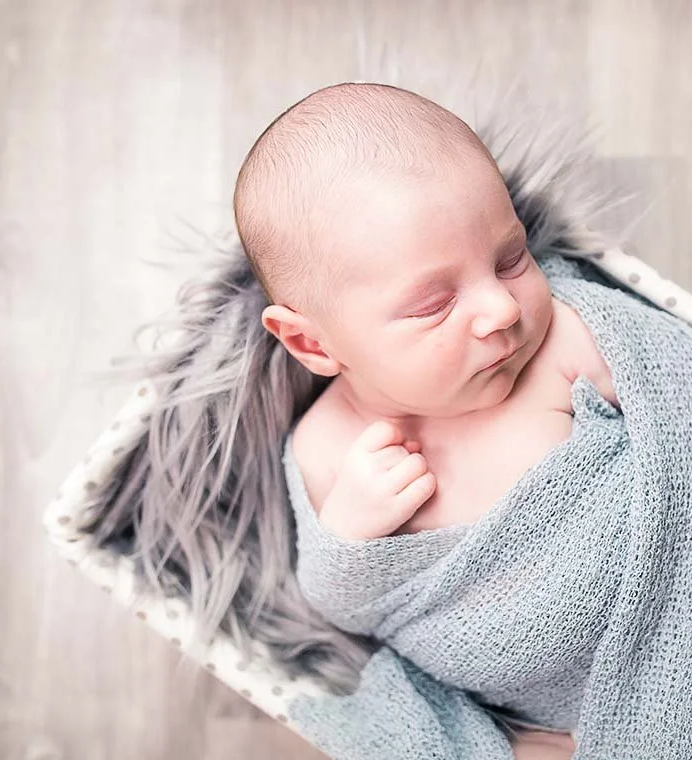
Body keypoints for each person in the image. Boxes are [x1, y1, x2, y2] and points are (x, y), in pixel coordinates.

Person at [233, 81, 603, 757]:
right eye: (434, 305)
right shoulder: (327, 451)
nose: (502, 309)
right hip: (541, 716)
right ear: (313, 343)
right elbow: (337, 605)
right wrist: (349, 535)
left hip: (677, 618)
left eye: (510, 259)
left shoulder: (562, 339)